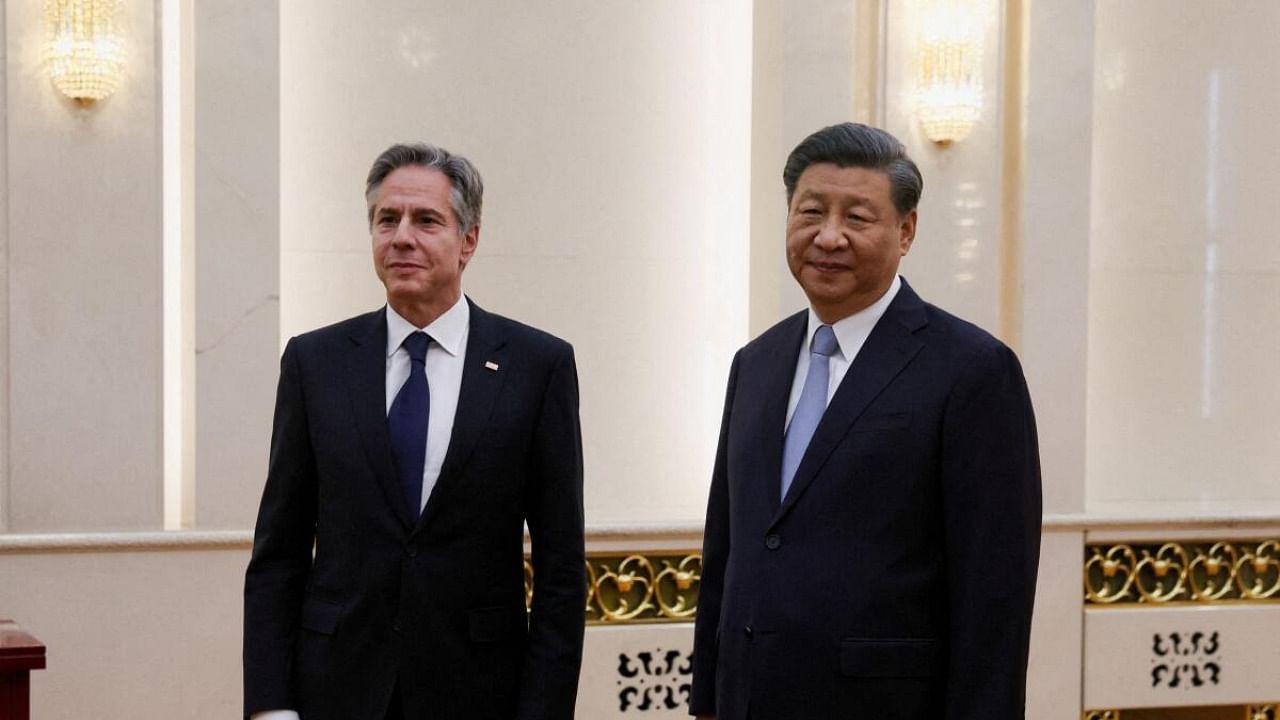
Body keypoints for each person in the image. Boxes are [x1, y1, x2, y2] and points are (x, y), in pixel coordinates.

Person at [690, 123, 1041, 720]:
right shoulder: (756, 363)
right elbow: (729, 547)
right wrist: (708, 700)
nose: (828, 236)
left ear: (906, 231)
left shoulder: (972, 369)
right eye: (811, 212)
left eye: (857, 217)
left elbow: (995, 595)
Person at [243, 143, 586, 720]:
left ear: (469, 240)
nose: (402, 236)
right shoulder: (315, 363)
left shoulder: (536, 367)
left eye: (426, 220)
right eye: (387, 220)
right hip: (336, 689)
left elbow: (560, 570)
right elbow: (278, 552)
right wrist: (271, 707)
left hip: (478, 692)